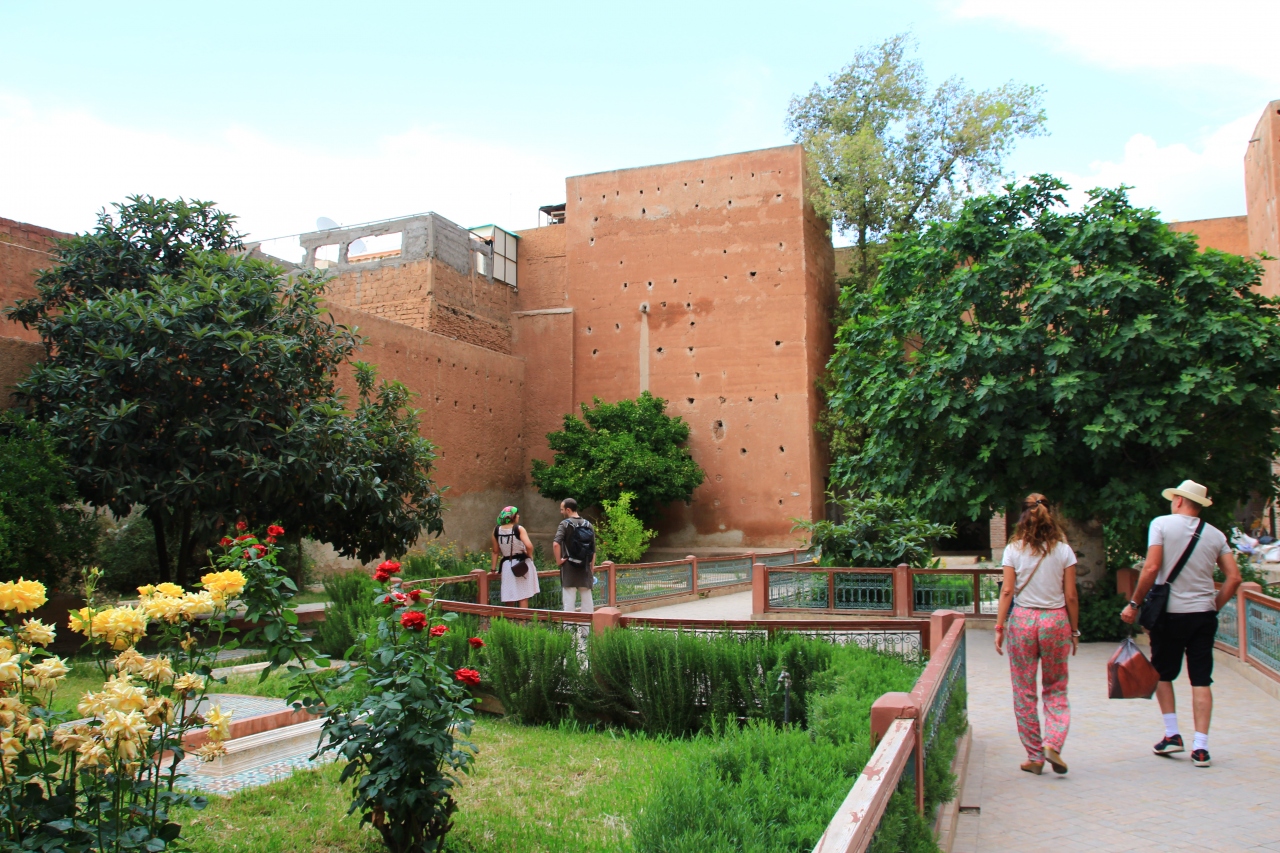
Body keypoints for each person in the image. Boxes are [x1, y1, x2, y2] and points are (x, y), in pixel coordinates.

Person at [1120, 480, 1241, 768]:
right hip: (1202, 615)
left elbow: (1151, 568)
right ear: (1199, 505)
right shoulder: (1216, 535)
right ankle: (1201, 748)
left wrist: (1134, 603)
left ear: (1178, 500)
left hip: (1170, 615)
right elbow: (1234, 578)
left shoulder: (1161, 524)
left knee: (1162, 673)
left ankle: (1172, 734)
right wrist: (1213, 606)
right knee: (1201, 679)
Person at [995, 493, 1080, 776]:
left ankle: (1034, 756)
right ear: (1050, 516)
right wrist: (1074, 630)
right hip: (1055, 621)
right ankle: (1052, 742)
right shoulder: (1064, 551)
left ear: (1022, 516)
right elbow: (1071, 595)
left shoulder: (1013, 550)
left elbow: (1007, 590)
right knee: (1056, 687)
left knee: (1024, 690)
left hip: (1022, 621)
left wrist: (999, 627)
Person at [553, 498, 595, 613]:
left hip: (569, 567)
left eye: (562, 509)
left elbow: (556, 544)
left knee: (569, 602)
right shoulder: (588, 524)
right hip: (584, 567)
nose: (561, 512)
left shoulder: (565, 524)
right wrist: (591, 568)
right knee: (587, 601)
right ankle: (587, 625)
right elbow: (593, 549)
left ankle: (569, 625)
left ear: (568, 510)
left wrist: (558, 561)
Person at [491, 506, 539, 607]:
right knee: (523, 596)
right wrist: (529, 556)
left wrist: (493, 570)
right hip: (521, 564)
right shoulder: (519, 529)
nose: (518, 516)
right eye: (517, 514)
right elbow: (529, 546)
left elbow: (495, 551)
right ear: (512, 517)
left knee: (509, 595)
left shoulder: (496, 530)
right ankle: (523, 616)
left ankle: (509, 617)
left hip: (507, 566)